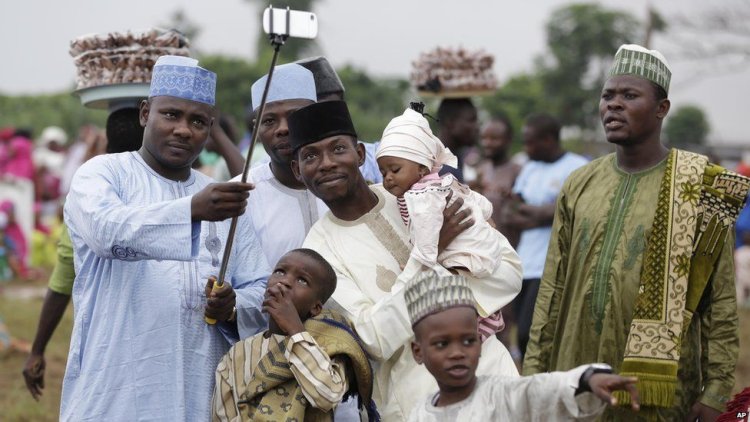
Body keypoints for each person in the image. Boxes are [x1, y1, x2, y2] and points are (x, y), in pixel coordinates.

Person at [524, 44, 750, 421]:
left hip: (660, 392)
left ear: (662, 108)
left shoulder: (698, 188)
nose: (613, 105)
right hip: (574, 377)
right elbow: (553, 287)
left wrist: (715, 391)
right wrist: (532, 374)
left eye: (629, 95)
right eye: (607, 95)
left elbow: (721, 301)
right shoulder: (580, 183)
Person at [61, 55, 270, 421]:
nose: (184, 130)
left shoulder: (218, 196)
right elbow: (104, 231)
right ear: (145, 113)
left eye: (198, 121)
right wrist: (190, 211)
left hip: (200, 391)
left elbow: (259, 283)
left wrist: (233, 306)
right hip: (115, 390)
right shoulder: (103, 174)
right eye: (171, 115)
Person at [293, 100, 522, 420]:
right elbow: (374, 339)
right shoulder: (318, 252)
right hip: (416, 401)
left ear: (360, 154)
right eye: (311, 156)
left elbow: (509, 272)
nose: (327, 163)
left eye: (338, 148)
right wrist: (429, 258)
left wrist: (434, 272)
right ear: (297, 170)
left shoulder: (426, 192)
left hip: (493, 378)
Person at [22, 105, 145, 401]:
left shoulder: (87, 197)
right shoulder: (181, 194)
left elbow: (63, 279)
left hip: (101, 346)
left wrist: (37, 349)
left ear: (106, 144)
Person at [406, 271, 639, 421]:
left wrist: (588, 380)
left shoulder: (502, 394)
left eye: (468, 341)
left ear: (480, 342)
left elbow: (544, 389)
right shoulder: (419, 415)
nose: (457, 353)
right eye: (442, 344)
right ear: (418, 351)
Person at [375, 105, 512, 340]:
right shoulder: (443, 182)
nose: (388, 177)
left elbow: (427, 243)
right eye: (382, 171)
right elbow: (477, 200)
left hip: (460, 256)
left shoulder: (421, 196)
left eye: (395, 169)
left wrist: (415, 267)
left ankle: (472, 332)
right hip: (480, 252)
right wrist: (488, 218)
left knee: (457, 302)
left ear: (421, 168)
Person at [212, 248, 378, 421]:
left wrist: (295, 331)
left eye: (302, 281)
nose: (284, 281)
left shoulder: (329, 347)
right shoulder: (237, 354)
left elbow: (328, 395)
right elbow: (222, 415)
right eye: (279, 271)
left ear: (316, 307)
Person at [504, 113, 588, 360]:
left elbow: (570, 210)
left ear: (549, 140)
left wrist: (541, 212)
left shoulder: (576, 166)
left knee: (531, 332)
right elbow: (511, 211)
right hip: (524, 262)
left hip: (552, 263)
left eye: (530, 142)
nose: (526, 148)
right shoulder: (529, 168)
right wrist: (544, 214)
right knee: (520, 329)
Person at [238, 63, 325, 268]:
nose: (283, 129)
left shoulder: (346, 184)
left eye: (295, 116)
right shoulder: (241, 197)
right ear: (256, 129)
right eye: (269, 121)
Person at [296, 55, 383, 185]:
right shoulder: (260, 176)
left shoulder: (381, 156)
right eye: (312, 114)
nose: (323, 121)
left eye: (331, 111)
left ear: (360, 154)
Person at [475, 115, 521, 247]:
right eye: (484, 138)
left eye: (494, 139)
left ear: (508, 140)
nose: (487, 143)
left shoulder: (518, 171)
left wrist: (511, 198)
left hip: (509, 247)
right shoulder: (481, 170)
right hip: (482, 247)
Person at [435, 98, 479, 183]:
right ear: (450, 122)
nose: (477, 127)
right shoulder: (435, 165)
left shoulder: (456, 158)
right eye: (471, 120)